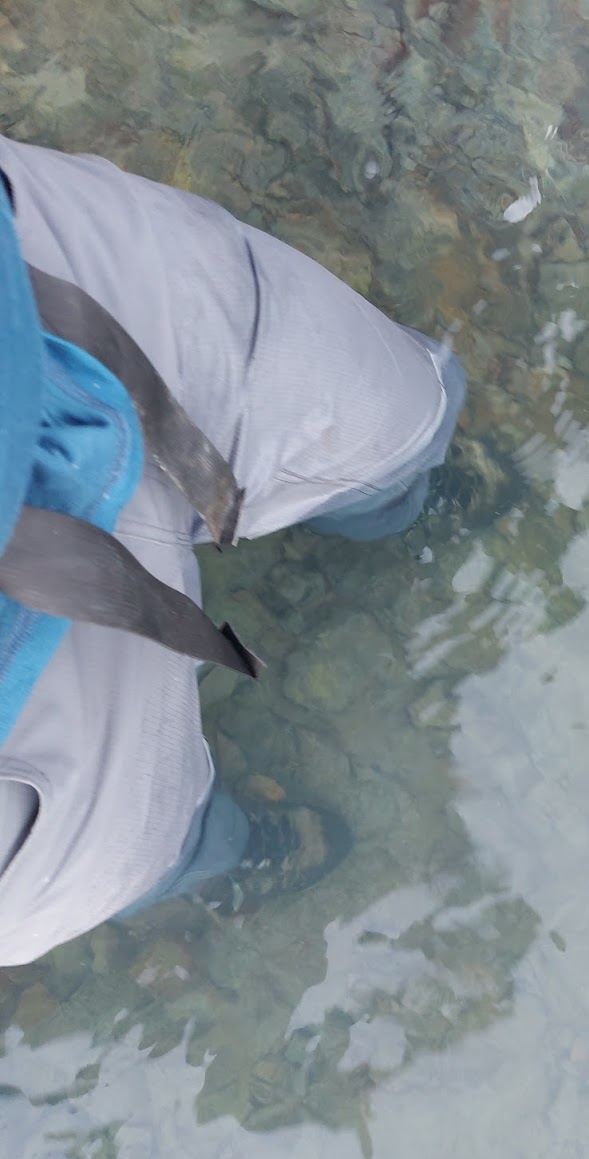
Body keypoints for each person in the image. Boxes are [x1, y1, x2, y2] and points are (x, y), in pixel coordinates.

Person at [0, 133, 465, 967]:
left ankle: (389, 503)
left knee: (404, 416)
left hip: (40, 308)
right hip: (21, 747)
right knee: (150, 840)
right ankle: (218, 849)